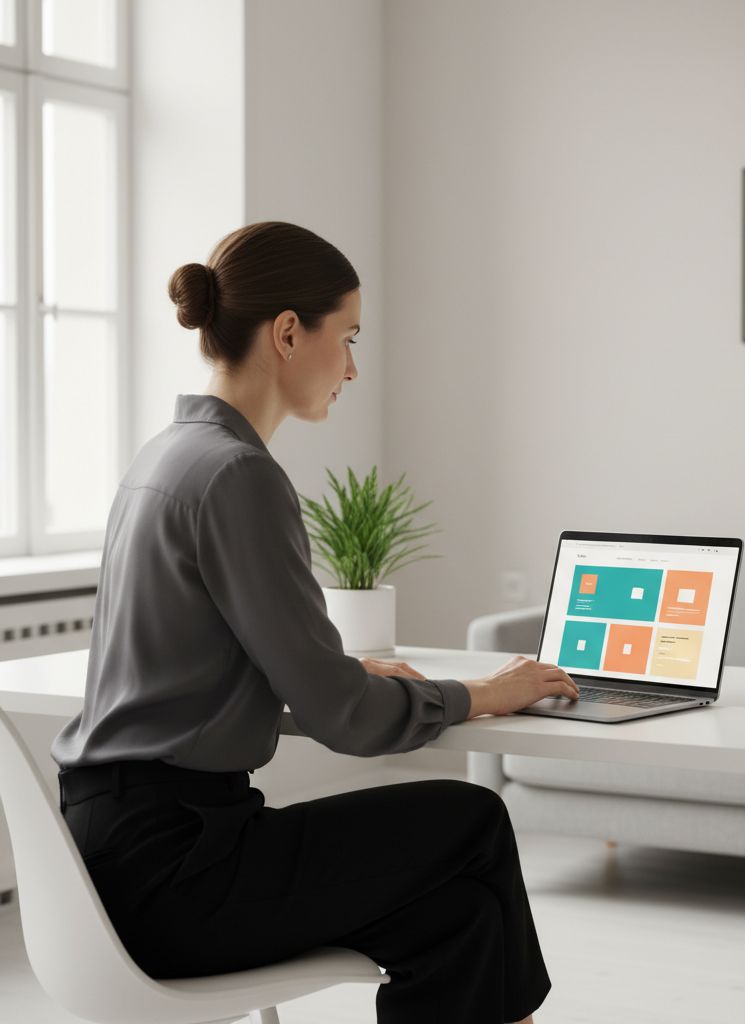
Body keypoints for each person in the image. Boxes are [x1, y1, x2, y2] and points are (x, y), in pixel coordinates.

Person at [49, 220, 580, 1024]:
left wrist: (349, 674)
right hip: (178, 869)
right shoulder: (239, 476)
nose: (355, 368)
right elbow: (342, 720)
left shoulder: (166, 456)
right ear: (290, 333)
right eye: (350, 337)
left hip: (114, 853)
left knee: (461, 920)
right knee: (471, 815)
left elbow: (226, 656)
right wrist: (480, 694)